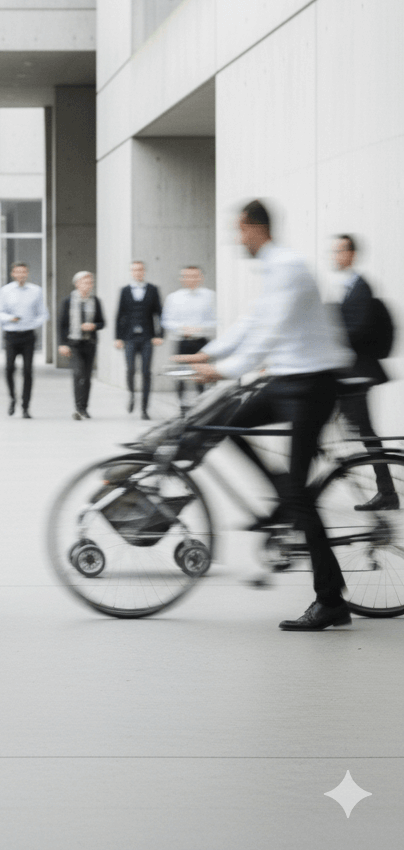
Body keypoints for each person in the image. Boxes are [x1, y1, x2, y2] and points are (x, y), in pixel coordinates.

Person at [177, 199, 354, 631]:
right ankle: (282, 497)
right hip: (289, 379)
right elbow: (251, 322)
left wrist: (223, 370)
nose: (238, 239)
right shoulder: (274, 269)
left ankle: (330, 600)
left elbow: (269, 332)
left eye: (240, 231)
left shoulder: (288, 267)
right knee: (226, 423)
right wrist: (209, 352)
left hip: (313, 384)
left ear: (255, 228)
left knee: (299, 495)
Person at [331, 234, 397, 511]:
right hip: (350, 374)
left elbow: (357, 332)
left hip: (357, 375)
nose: (335, 256)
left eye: (339, 251)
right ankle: (383, 490)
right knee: (353, 430)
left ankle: (386, 492)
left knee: (366, 434)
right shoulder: (351, 288)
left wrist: (333, 334)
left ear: (352, 254)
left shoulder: (360, 288)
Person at [0, 262, 48, 418]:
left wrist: (32, 323)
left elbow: (43, 314)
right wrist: (11, 318)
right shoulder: (5, 291)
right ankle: (12, 399)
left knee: (27, 371)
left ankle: (25, 406)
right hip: (11, 335)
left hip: (28, 336)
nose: (21, 275)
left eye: (24, 272)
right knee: (9, 369)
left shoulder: (36, 291)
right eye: (18, 272)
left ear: (27, 273)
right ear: (13, 273)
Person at [161, 266, 217, 412]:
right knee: (181, 375)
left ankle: (202, 407)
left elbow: (216, 320)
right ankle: (182, 407)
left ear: (200, 278)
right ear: (182, 278)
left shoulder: (210, 296)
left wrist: (200, 329)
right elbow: (166, 321)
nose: (191, 279)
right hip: (182, 341)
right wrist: (182, 329)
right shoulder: (174, 297)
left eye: (194, 276)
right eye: (187, 276)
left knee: (202, 375)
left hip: (201, 341)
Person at [114, 260, 164, 420]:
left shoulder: (153, 290)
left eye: (140, 270)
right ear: (131, 272)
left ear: (144, 271)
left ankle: (144, 408)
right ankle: (131, 395)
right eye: (134, 270)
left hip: (147, 337)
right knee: (130, 370)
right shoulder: (125, 291)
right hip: (129, 337)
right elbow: (119, 314)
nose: (137, 272)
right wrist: (118, 337)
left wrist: (159, 335)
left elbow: (160, 314)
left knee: (146, 372)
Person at [58, 271, 105, 420]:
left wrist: (93, 326)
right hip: (74, 343)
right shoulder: (68, 301)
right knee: (78, 374)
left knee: (87, 376)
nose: (88, 285)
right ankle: (78, 407)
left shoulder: (95, 301)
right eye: (84, 282)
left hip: (89, 343)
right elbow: (61, 324)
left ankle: (84, 407)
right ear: (77, 284)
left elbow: (102, 322)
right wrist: (62, 344)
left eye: (90, 283)